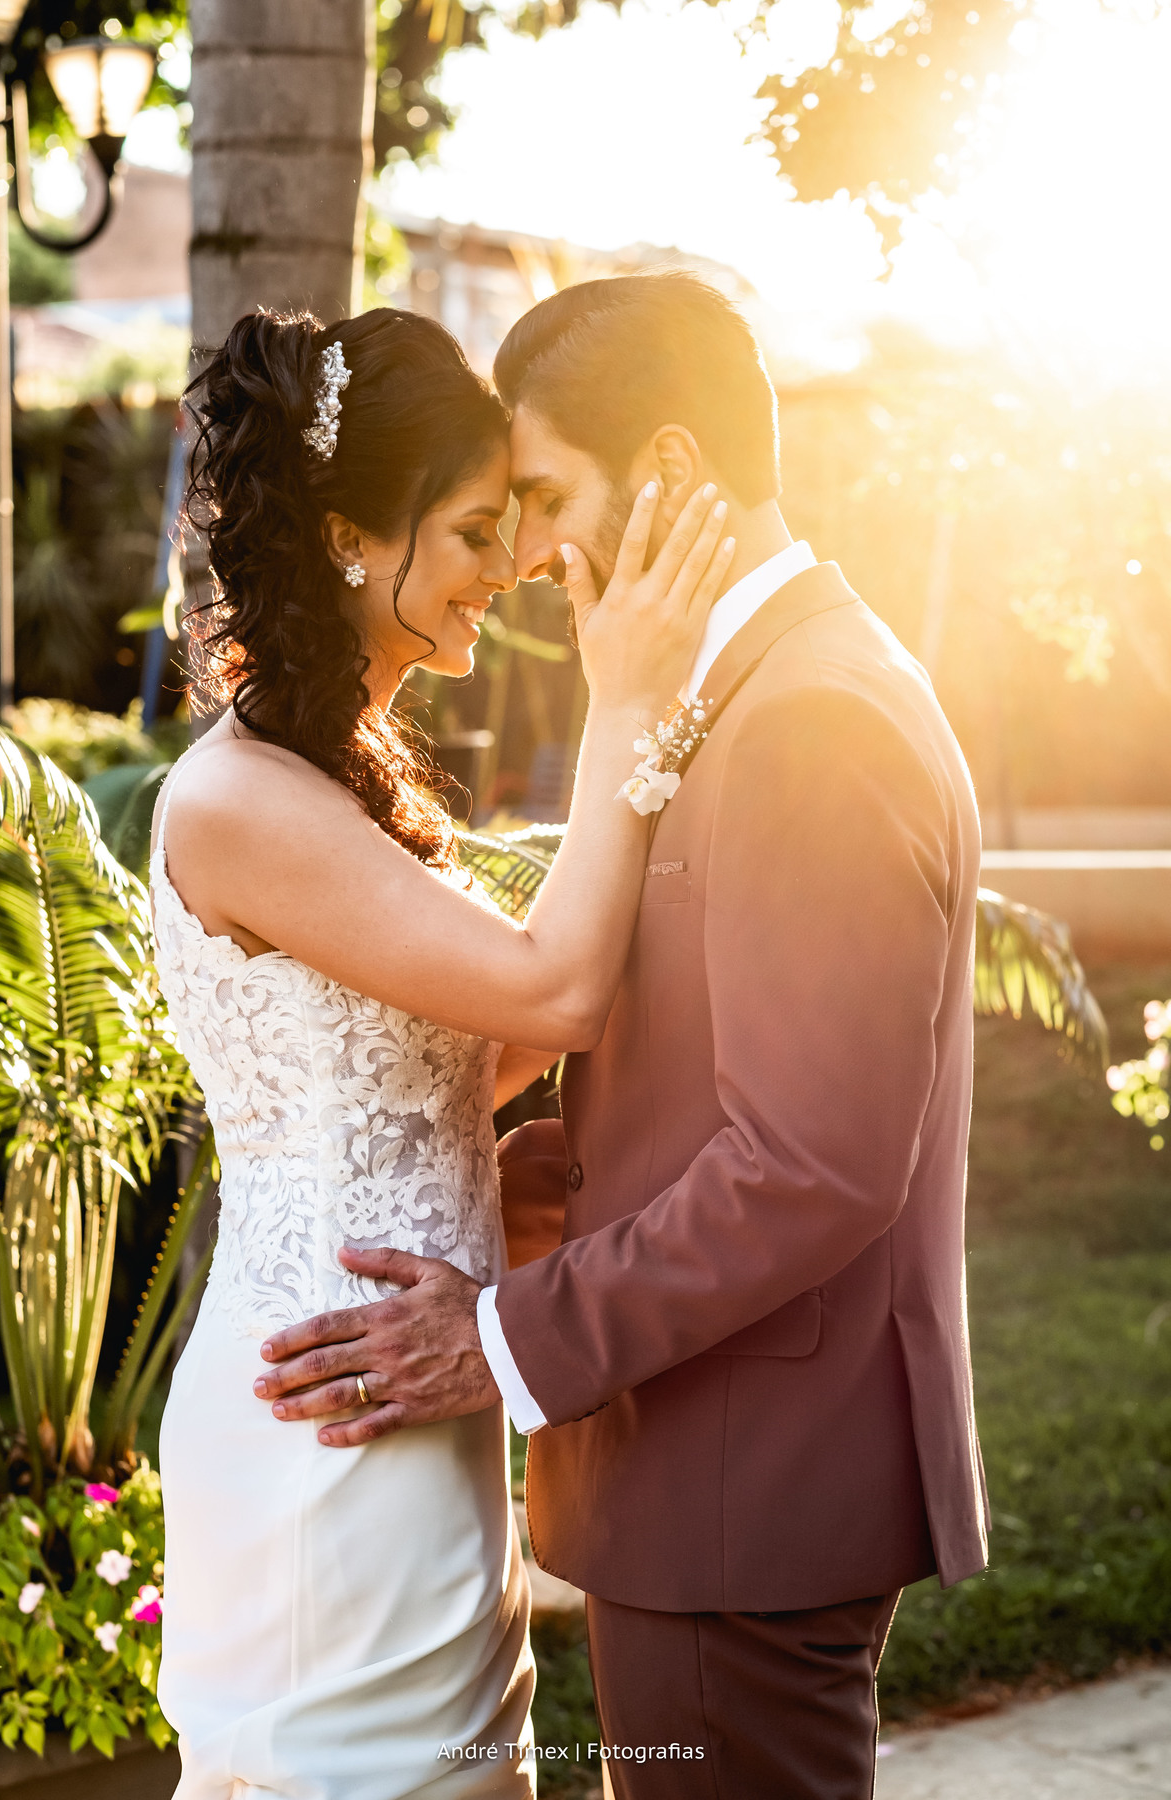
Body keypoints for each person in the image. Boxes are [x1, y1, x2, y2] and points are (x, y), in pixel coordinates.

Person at [255, 272, 991, 1800]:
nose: (526, 555)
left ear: (664, 472)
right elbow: (739, 1070)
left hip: (750, 1489)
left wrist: (504, 1338)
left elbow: (814, 1162)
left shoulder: (811, 718)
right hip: (711, 1473)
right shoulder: (753, 691)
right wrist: (559, 1161)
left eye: (544, 497)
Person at [152, 302, 734, 1800]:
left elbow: (434, 1073)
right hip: (321, 1426)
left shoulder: (342, 782)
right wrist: (635, 699)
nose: (512, 569)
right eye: (476, 531)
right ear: (351, 534)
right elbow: (550, 994)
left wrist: (538, 1168)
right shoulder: (238, 804)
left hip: (424, 1389)